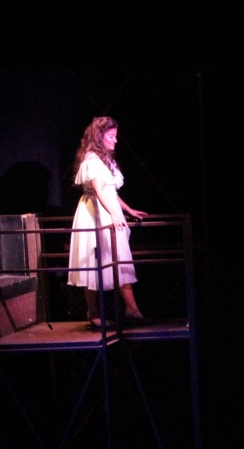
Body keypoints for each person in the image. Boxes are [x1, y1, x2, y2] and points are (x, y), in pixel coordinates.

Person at [67, 116, 148, 328]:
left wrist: (127, 209)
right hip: (94, 214)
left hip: (108, 210)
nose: (115, 140)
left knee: (119, 257)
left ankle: (132, 308)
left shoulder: (106, 160)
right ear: (99, 137)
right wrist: (113, 213)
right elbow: (99, 191)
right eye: (111, 136)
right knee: (95, 261)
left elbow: (110, 191)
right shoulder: (92, 161)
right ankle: (93, 312)